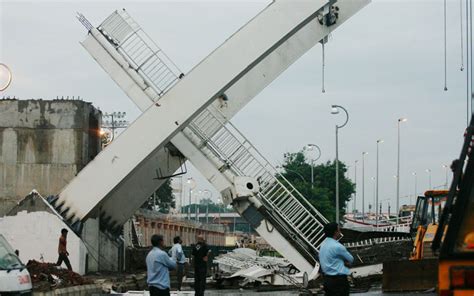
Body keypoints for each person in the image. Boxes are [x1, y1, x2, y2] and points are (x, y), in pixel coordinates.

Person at [319, 222, 354, 296]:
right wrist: (344, 263)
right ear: (335, 232)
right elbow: (351, 259)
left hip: (327, 280)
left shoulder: (322, 245)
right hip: (339, 281)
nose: (340, 232)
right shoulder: (338, 246)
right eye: (339, 230)